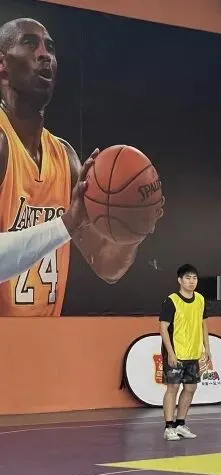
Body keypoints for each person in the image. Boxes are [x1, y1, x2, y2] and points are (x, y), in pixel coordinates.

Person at [0, 18, 162, 316]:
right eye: (30, 43)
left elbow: (106, 265)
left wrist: (136, 226)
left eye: (50, 47)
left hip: (42, 337)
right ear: (2, 65)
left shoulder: (65, 157)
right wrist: (65, 224)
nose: (44, 54)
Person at [159, 264, 210, 441]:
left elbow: (203, 324)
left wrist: (207, 348)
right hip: (176, 352)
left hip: (194, 353)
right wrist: (170, 353)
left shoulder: (200, 299)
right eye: (188, 278)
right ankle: (169, 427)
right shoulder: (171, 301)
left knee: (190, 388)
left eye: (194, 278)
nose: (192, 281)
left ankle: (180, 424)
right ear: (180, 280)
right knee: (173, 387)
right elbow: (163, 328)